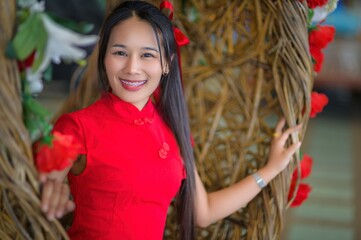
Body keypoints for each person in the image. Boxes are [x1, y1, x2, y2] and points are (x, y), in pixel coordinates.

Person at [39, 1, 302, 239]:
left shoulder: (173, 130)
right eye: (120, 53)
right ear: (103, 57)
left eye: (147, 55)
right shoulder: (77, 126)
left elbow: (204, 211)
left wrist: (270, 170)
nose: (132, 67)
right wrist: (52, 188)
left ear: (167, 62)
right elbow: (43, 183)